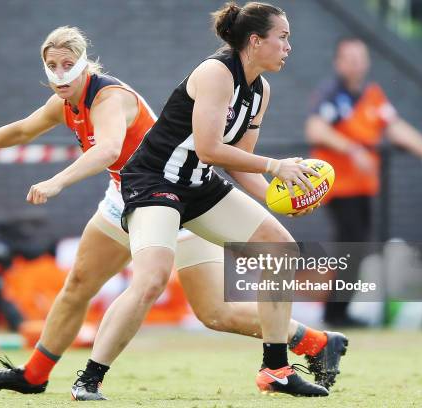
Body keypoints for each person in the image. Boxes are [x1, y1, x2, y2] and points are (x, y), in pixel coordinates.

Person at [0, 24, 345, 400]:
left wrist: (58, 181)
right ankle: (37, 375)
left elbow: (111, 149)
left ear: (85, 64)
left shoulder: (111, 97)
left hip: (179, 189)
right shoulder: (66, 101)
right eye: (51, 65)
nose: (59, 73)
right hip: (136, 192)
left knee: (215, 309)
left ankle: (299, 351)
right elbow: (22, 129)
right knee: (80, 283)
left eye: (67, 64)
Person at [68, 2, 340, 400]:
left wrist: (278, 198)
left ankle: (276, 369)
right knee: (152, 279)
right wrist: (276, 166)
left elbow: (241, 161)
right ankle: (88, 380)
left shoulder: (260, 90)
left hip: (199, 187)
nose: (288, 47)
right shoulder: (215, 73)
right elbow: (212, 148)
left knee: (280, 249)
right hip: (153, 181)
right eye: (282, 37)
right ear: (254, 40)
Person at [305, 36, 422, 327]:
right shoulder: (333, 93)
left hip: (363, 188)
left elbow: (394, 128)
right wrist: (352, 148)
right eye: (350, 58)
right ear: (339, 62)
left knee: (356, 249)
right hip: (338, 188)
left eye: (361, 57)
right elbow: (315, 129)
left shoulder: (372, 95)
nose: (356, 63)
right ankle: (336, 314)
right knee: (351, 247)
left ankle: (338, 313)